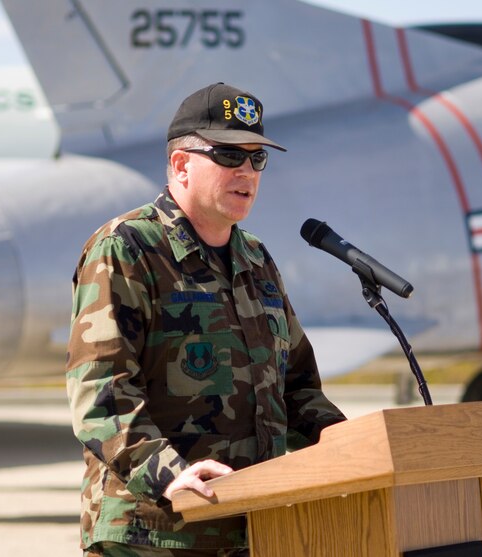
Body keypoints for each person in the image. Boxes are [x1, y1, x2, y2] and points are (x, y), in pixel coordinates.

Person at [66, 82, 346, 556]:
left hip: (253, 532)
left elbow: (297, 388)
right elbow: (102, 391)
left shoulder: (255, 258)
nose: (248, 171)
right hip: (153, 533)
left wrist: (354, 446)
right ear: (180, 165)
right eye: (229, 155)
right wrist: (168, 473)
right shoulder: (127, 248)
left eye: (257, 158)